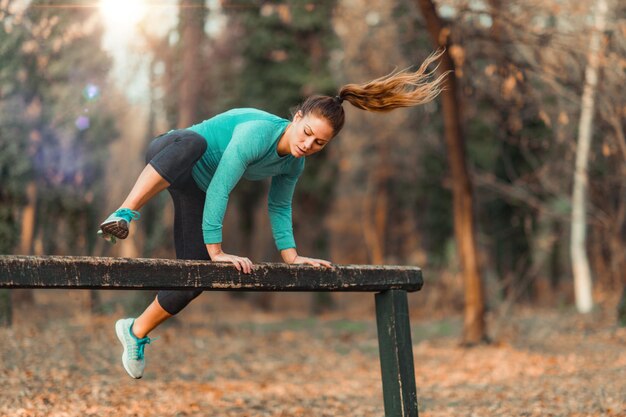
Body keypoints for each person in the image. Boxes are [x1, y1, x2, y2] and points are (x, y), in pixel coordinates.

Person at [103, 50, 447, 379]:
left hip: (194, 187)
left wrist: (292, 257)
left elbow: (279, 206)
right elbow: (222, 185)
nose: (308, 145)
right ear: (296, 119)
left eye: (319, 144)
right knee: (194, 145)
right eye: (307, 133)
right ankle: (124, 213)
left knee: (195, 277)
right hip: (171, 152)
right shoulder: (256, 134)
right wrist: (218, 251)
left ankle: (135, 331)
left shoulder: (293, 164)